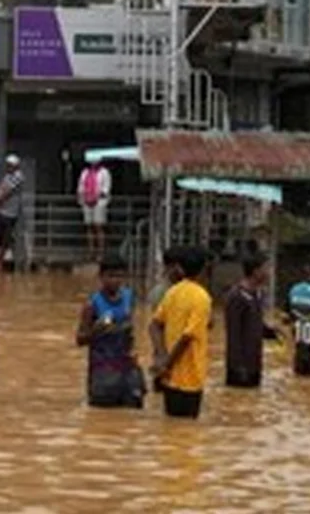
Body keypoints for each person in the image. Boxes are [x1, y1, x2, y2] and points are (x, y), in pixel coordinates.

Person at [149, 246, 213, 420]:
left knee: (171, 428)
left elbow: (154, 325)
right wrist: (167, 364)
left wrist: (163, 358)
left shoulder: (172, 292)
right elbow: (187, 337)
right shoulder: (202, 297)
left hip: (170, 378)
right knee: (188, 434)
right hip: (190, 377)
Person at [77, 256, 144, 409]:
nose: (116, 280)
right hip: (103, 369)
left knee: (133, 408)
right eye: (111, 276)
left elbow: (130, 329)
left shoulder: (129, 297)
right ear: (101, 277)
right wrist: (96, 330)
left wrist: (134, 351)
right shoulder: (92, 304)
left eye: (120, 276)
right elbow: (80, 339)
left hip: (127, 367)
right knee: (102, 410)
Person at [224, 253, 278, 389]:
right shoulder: (237, 297)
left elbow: (253, 324)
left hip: (254, 364)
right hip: (241, 367)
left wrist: (269, 332)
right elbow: (233, 334)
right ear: (255, 271)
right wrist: (237, 366)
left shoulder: (257, 294)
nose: (269, 273)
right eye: (266, 268)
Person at [0, 155, 26, 272]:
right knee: (0, 237)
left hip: (11, 212)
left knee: (6, 238)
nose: (8, 167)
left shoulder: (18, 176)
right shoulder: (7, 176)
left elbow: (6, 191)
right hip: (3, 210)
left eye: (10, 164)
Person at [78, 157, 113, 261]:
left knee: (98, 226)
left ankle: (100, 252)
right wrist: (83, 197)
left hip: (99, 202)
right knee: (89, 227)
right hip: (86, 201)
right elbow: (81, 187)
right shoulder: (85, 172)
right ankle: (90, 251)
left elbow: (106, 189)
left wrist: (96, 197)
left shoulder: (104, 172)